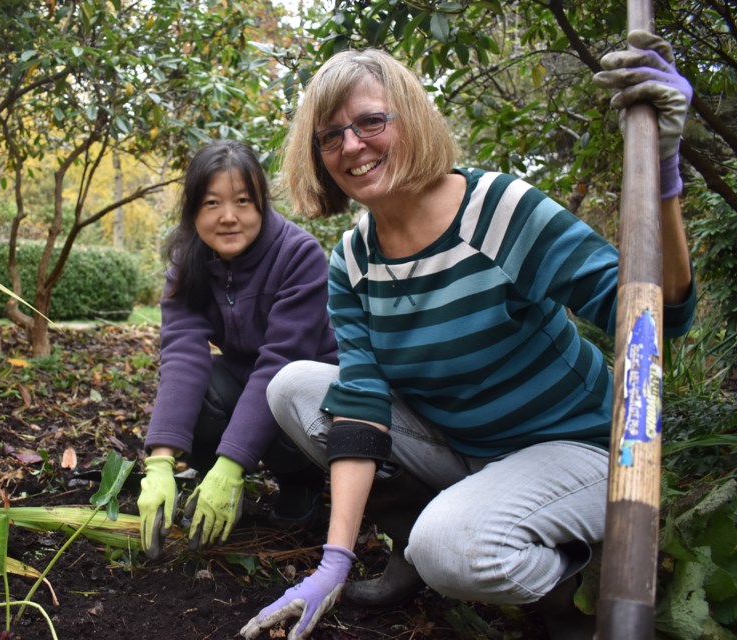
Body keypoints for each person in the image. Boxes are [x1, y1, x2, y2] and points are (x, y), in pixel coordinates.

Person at [240, 30, 696, 640]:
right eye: (330, 136)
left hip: (585, 451)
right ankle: (414, 543)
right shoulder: (352, 261)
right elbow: (362, 409)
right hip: (465, 450)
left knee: (451, 550)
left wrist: (662, 169)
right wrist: (333, 563)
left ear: (412, 120)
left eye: (370, 121)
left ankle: (571, 587)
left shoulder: (498, 210)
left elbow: (655, 316)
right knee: (296, 385)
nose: (351, 146)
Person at [137, 140, 339, 560]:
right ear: (194, 210)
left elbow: (281, 362)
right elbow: (182, 355)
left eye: (242, 201)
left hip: (305, 387)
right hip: (246, 376)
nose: (228, 217)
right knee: (204, 384)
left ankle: (299, 482)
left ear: (261, 204)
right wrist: (159, 462)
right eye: (212, 203)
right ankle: (215, 481)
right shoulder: (189, 261)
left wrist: (236, 462)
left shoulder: (298, 254)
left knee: (287, 391)